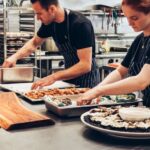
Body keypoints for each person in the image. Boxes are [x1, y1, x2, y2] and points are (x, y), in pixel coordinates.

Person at [2, 0, 100, 89]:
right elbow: (34, 43)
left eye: (39, 13)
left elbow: (85, 65)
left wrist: (54, 77)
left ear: (52, 9)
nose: (37, 18)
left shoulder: (80, 24)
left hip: (87, 82)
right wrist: (14, 57)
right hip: (69, 79)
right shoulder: (50, 24)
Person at [77, 0, 150, 106]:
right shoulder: (140, 40)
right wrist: (96, 89)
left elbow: (141, 81)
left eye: (134, 18)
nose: (129, 23)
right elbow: (121, 71)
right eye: (127, 17)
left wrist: (99, 91)